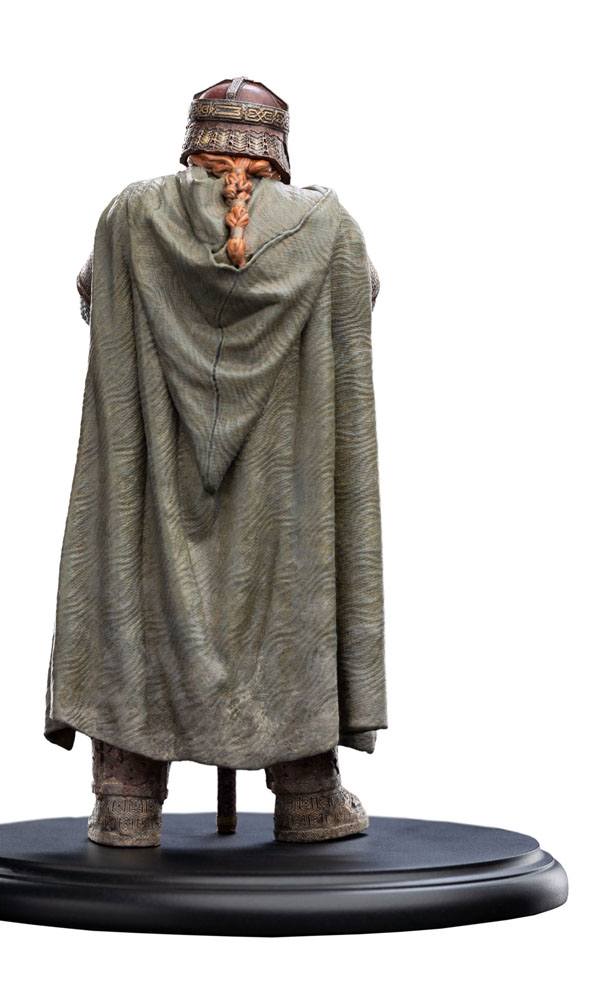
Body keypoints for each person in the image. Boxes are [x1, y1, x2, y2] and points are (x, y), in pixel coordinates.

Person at [46, 78, 385, 846]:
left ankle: (126, 803)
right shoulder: (327, 226)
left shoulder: (132, 215)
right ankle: (307, 796)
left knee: (132, 588)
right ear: (276, 149)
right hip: (283, 473)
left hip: (153, 466)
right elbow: (362, 297)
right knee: (292, 593)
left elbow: (90, 291)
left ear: (195, 143)